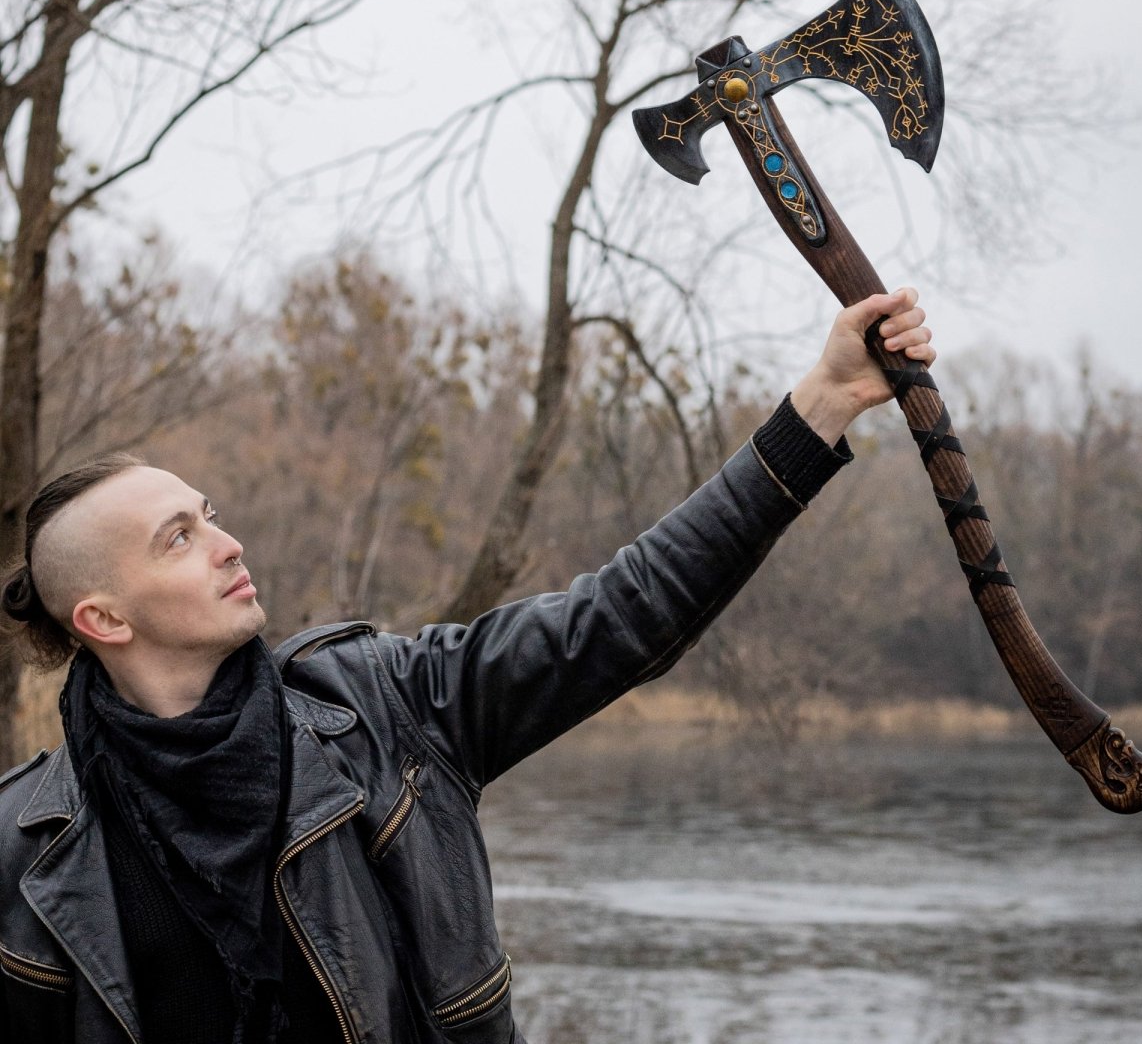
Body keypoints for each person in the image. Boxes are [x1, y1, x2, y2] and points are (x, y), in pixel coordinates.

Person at [0, 289, 934, 1044]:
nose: (229, 543)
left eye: (210, 514)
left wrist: (825, 401)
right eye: (179, 537)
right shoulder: (22, 849)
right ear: (103, 616)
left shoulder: (389, 710)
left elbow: (621, 614)